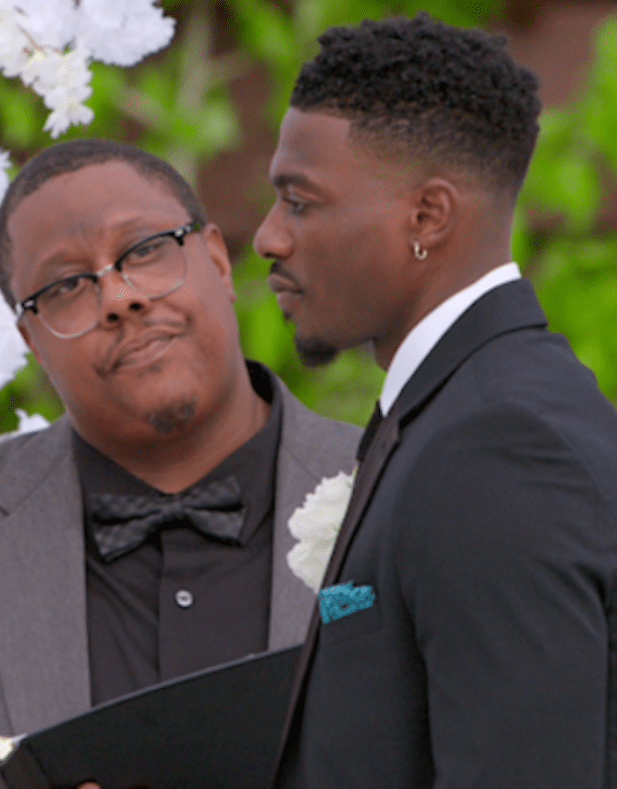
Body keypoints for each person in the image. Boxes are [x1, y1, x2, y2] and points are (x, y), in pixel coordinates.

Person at [0, 139, 360, 751]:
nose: (120, 298)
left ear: (217, 260)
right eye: (69, 285)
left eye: (146, 250)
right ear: (32, 340)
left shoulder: (407, 493)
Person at [252, 13, 617, 788]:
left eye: (301, 201)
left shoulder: (498, 446)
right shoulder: (460, 408)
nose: (267, 237)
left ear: (427, 217)